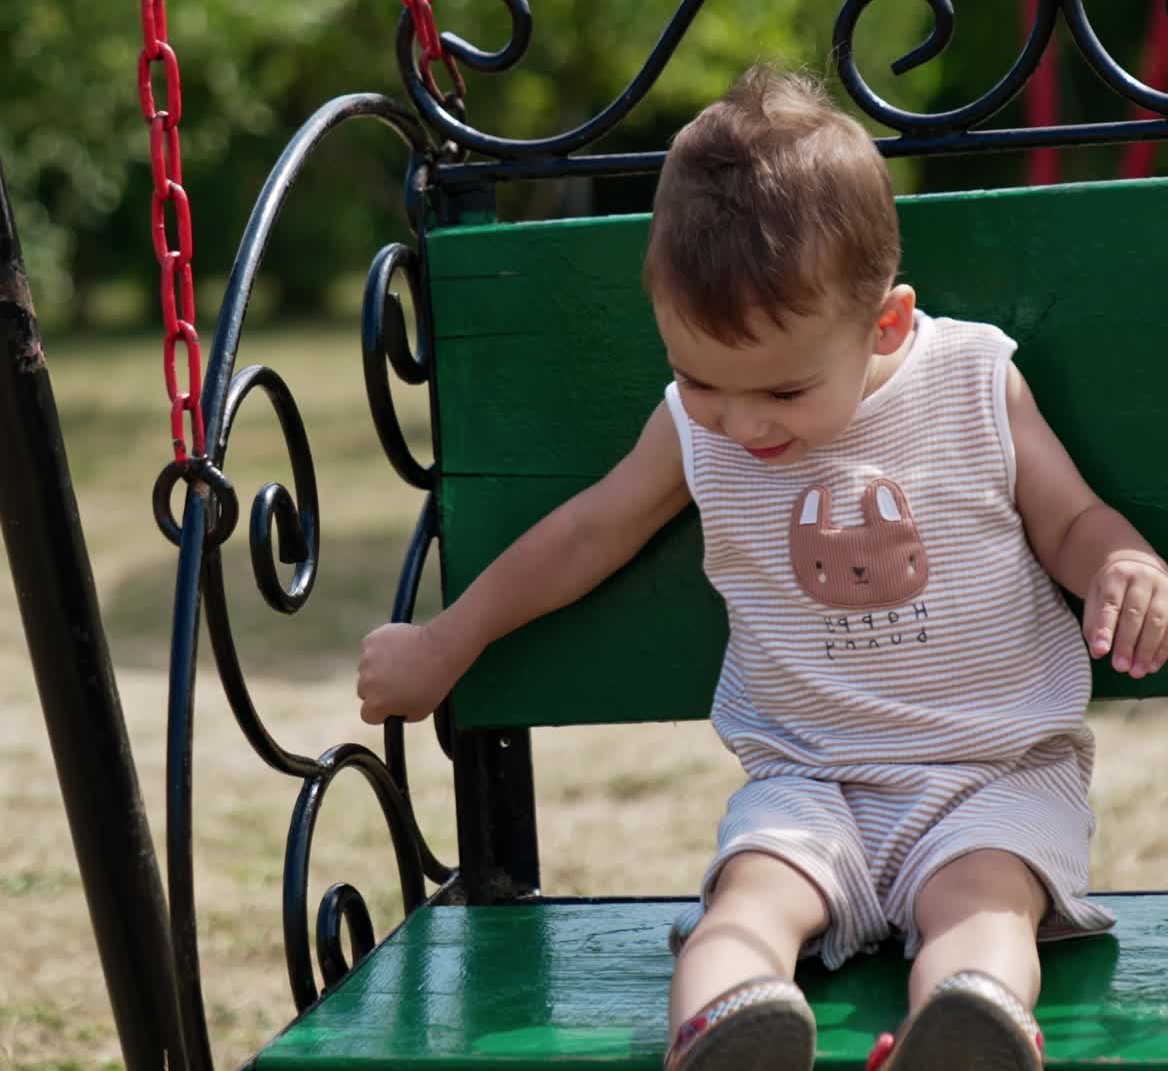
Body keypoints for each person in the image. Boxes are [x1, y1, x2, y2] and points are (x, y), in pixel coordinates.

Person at [356, 66, 1168, 1071]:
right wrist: (446, 640)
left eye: (781, 388)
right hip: (807, 778)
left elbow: (1067, 519)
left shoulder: (968, 380)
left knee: (981, 901)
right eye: (700, 380)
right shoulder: (692, 431)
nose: (741, 423)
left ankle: (969, 1027)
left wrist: (1122, 561)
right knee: (748, 897)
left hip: (987, 773)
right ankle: (729, 1023)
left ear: (885, 324)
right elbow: (583, 534)